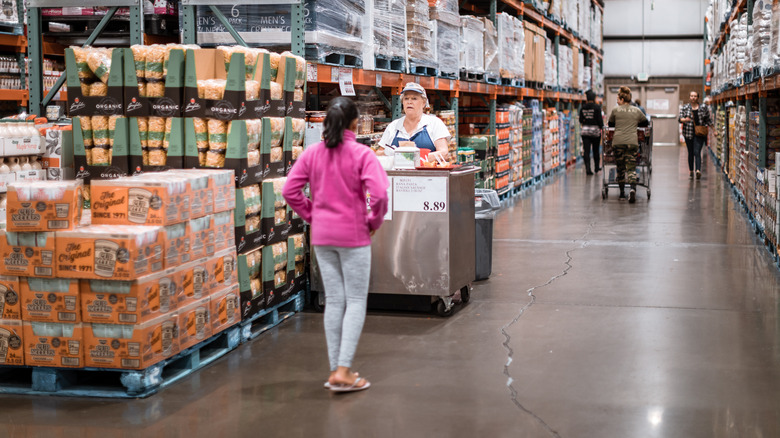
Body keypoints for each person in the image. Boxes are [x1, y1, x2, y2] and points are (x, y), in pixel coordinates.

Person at [283, 97, 389, 393]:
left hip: (322, 236)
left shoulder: (312, 153)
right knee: (355, 300)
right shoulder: (362, 154)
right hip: (354, 234)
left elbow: (290, 190)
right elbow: (379, 194)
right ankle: (344, 370)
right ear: (355, 123)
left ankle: (335, 370)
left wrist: (312, 214)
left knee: (335, 299)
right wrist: (372, 222)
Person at [379, 82, 451, 163]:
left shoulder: (434, 123)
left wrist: (413, 159)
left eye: (414, 98)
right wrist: (390, 153)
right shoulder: (394, 126)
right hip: (399, 175)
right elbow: (378, 153)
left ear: (423, 103)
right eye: (406, 98)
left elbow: (444, 154)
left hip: (427, 175)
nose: (409, 102)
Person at [608, 86, 649, 203]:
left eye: (617, 98)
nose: (616, 100)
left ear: (622, 99)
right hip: (632, 142)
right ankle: (632, 189)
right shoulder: (636, 110)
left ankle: (621, 194)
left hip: (618, 142)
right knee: (631, 168)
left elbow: (611, 124)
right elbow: (645, 122)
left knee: (620, 169)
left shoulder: (615, 110)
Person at [678, 90, 712, 179]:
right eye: (691, 96)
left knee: (697, 151)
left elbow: (708, 119)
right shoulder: (685, 108)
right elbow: (680, 119)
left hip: (699, 133)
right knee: (691, 152)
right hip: (688, 133)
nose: (693, 98)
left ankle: (698, 170)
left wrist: (714, 130)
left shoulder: (703, 107)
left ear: (698, 97)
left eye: (695, 96)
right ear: (689, 97)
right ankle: (691, 170)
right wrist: (685, 120)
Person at [579, 90, 604, 175]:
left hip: (585, 132)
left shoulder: (583, 107)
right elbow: (600, 120)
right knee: (596, 150)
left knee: (586, 151)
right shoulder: (597, 107)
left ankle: (588, 169)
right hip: (595, 132)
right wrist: (602, 128)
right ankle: (596, 167)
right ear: (593, 98)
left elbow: (580, 120)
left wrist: (586, 121)